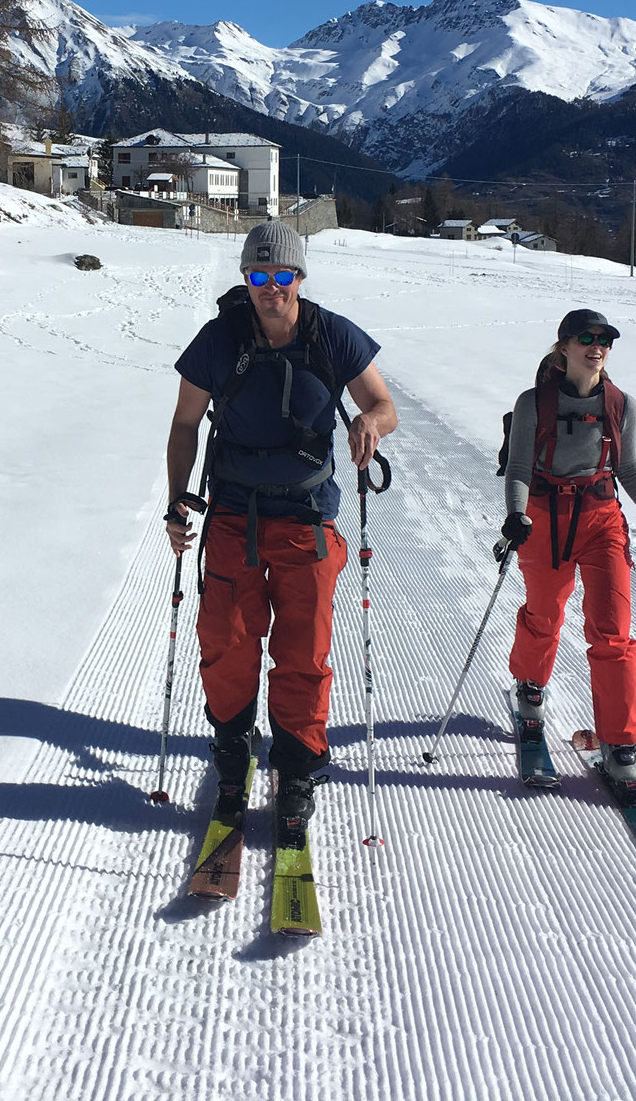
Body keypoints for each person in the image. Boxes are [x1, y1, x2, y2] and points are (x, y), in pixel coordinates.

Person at [165, 220, 397, 846]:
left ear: (299, 277)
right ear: (246, 280)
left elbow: (383, 405)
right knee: (226, 637)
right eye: (259, 276)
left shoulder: (330, 334)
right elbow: (186, 424)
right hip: (234, 512)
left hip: (306, 516)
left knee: (303, 649)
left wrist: (369, 424)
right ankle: (233, 746)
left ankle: (297, 769)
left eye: (282, 276)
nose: (271, 288)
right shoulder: (220, 339)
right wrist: (176, 501)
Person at [497, 308, 636, 803]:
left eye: (605, 338)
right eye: (586, 338)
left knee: (612, 629)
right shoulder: (531, 403)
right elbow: (519, 464)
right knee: (545, 613)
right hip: (545, 519)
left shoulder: (621, 405)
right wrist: (516, 514)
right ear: (563, 346)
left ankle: (621, 743)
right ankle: (530, 687)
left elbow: (627, 467)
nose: (596, 345)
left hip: (602, 518)